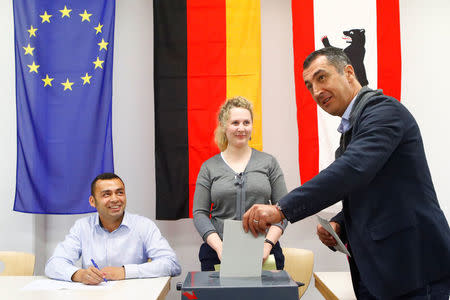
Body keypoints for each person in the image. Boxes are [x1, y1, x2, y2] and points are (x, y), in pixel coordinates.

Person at [243, 47, 450, 299]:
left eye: (322, 77)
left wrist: (281, 209)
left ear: (349, 72)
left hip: (412, 269)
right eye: (309, 86)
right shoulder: (353, 128)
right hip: (380, 275)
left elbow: (352, 170)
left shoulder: (383, 112)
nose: (316, 91)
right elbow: (371, 188)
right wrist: (339, 223)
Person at [193, 96, 288, 271]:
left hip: (265, 250)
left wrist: (267, 245)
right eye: (235, 122)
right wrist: (220, 247)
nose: (241, 128)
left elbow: (283, 209)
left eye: (246, 122)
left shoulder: (269, 163)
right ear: (223, 126)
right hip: (217, 251)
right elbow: (199, 213)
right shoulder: (209, 167)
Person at [45, 173, 181, 284]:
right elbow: (53, 264)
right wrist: (79, 274)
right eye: (106, 194)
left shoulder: (143, 226)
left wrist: (125, 272)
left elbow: (171, 264)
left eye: (120, 192)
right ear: (92, 202)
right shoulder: (82, 227)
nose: (115, 199)